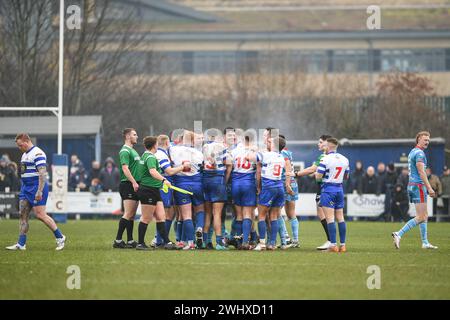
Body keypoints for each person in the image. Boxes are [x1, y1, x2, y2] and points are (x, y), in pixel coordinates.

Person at [6, 133, 66, 251]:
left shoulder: (38, 153)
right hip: (26, 188)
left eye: (20, 145)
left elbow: (42, 174)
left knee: (40, 215)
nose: (19, 148)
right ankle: (21, 243)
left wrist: (39, 191)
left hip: (37, 187)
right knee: (23, 215)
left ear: (27, 141)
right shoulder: (24, 155)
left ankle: (60, 237)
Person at [392, 131, 438, 250]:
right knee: (422, 216)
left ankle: (425, 242)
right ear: (418, 140)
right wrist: (429, 187)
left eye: (428, 140)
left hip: (412, 185)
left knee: (424, 215)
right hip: (418, 186)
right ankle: (399, 234)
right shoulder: (420, 153)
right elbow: (422, 172)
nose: (427, 142)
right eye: (425, 140)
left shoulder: (413, 151)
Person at [135, 136, 176, 250]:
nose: (158, 146)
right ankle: (140, 243)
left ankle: (166, 242)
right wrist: (164, 179)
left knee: (161, 216)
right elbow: (152, 172)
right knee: (146, 218)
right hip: (148, 190)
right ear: (154, 145)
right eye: (157, 144)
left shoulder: (145, 155)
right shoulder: (150, 157)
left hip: (154, 190)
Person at [295, 134, 332, 250]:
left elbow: (312, 169)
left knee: (324, 214)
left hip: (324, 188)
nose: (318, 144)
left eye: (321, 142)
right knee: (331, 215)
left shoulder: (323, 157)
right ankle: (335, 241)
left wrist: (296, 174)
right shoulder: (334, 156)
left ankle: (331, 241)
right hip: (332, 187)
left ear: (327, 143)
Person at [152, 134, 190, 248]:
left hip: (166, 185)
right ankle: (159, 240)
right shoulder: (161, 154)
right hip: (164, 185)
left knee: (169, 214)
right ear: (167, 143)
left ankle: (162, 240)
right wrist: (182, 167)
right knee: (163, 214)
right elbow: (169, 171)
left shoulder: (162, 153)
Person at [170, 130, 205, 250]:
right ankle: (199, 227)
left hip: (181, 185)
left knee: (186, 216)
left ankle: (190, 243)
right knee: (200, 209)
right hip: (197, 184)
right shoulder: (198, 153)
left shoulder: (174, 150)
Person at [315, 137, 350, 253]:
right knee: (340, 217)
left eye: (325, 145)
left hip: (328, 189)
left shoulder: (325, 159)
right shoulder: (345, 159)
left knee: (330, 218)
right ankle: (343, 245)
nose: (323, 147)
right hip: (339, 189)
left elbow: (318, 177)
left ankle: (333, 245)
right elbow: (346, 177)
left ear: (329, 146)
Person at [254, 136, 287, 251]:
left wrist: (252, 150)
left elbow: (250, 158)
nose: (268, 142)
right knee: (274, 216)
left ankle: (262, 243)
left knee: (262, 215)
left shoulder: (266, 155)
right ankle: (272, 243)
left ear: (274, 145)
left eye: (271, 141)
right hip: (279, 187)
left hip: (269, 187)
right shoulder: (282, 157)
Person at [227, 135, 259, 250]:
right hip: (248, 183)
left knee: (238, 215)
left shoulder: (234, 151)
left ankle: (238, 241)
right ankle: (246, 241)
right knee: (247, 214)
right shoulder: (254, 152)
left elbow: (229, 167)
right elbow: (259, 169)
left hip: (236, 183)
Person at [113, 128, 141, 249]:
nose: (137, 136)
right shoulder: (124, 151)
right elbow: (125, 169)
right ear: (128, 136)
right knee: (128, 213)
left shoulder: (132, 150)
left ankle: (130, 240)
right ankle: (118, 240)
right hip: (128, 185)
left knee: (132, 215)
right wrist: (134, 182)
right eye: (135, 135)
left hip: (134, 184)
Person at [203, 131, 229, 250]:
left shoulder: (204, 147)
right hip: (217, 180)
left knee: (207, 213)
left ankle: (206, 241)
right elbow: (227, 163)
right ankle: (219, 242)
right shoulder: (221, 147)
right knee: (217, 214)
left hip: (206, 180)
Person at [280, 135, 299, 248]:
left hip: (284, 183)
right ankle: (295, 240)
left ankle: (286, 238)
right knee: (291, 213)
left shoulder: (282, 154)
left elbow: (286, 167)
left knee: (277, 212)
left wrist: (286, 184)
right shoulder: (289, 153)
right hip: (293, 182)